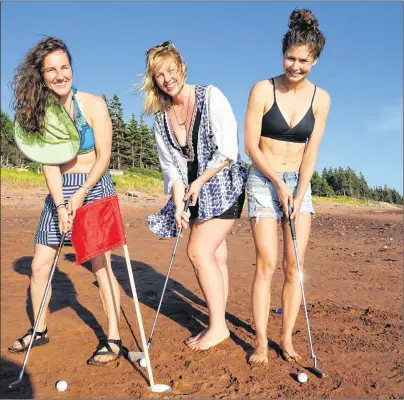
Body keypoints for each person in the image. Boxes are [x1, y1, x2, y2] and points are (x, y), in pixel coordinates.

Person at [8, 37, 124, 365]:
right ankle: (40, 329)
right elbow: (49, 164)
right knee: (39, 266)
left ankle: (114, 338)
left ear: (72, 68)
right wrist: (61, 206)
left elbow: (103, 157)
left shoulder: (93, 104)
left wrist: (83, 194)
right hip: (60, 190)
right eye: (51, 70)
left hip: (95, 186)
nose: (60, 75)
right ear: (41, 75)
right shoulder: (42, 112)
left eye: (64, 67)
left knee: (101, 267)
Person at [141, 40, 247, 351]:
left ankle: (217, 328)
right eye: (159, 75)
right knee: (216, 256)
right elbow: (172, 170)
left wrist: (200, 181)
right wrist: (178, 204)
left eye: (171, 70)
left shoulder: (210, 96)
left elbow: (229, 150)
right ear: (154, 80)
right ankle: (220, 318)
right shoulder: (161, 119)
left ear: (183, 68)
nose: (167, 78)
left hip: (223, 184)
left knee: (198, 251)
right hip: (192, 190)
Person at [244, 9, 331, 364]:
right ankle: (262, 341)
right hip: (264, 179)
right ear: (283, 54)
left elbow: (311, 153)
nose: (295, 66)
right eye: (290, 58)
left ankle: (287, 341)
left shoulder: (321, 100)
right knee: (266, 262)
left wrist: (298, 192)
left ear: (315, 60)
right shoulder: (263, 89)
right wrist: (279, 183)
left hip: (299, 184)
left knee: (294, 266)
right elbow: (250, 145)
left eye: (304, 61)